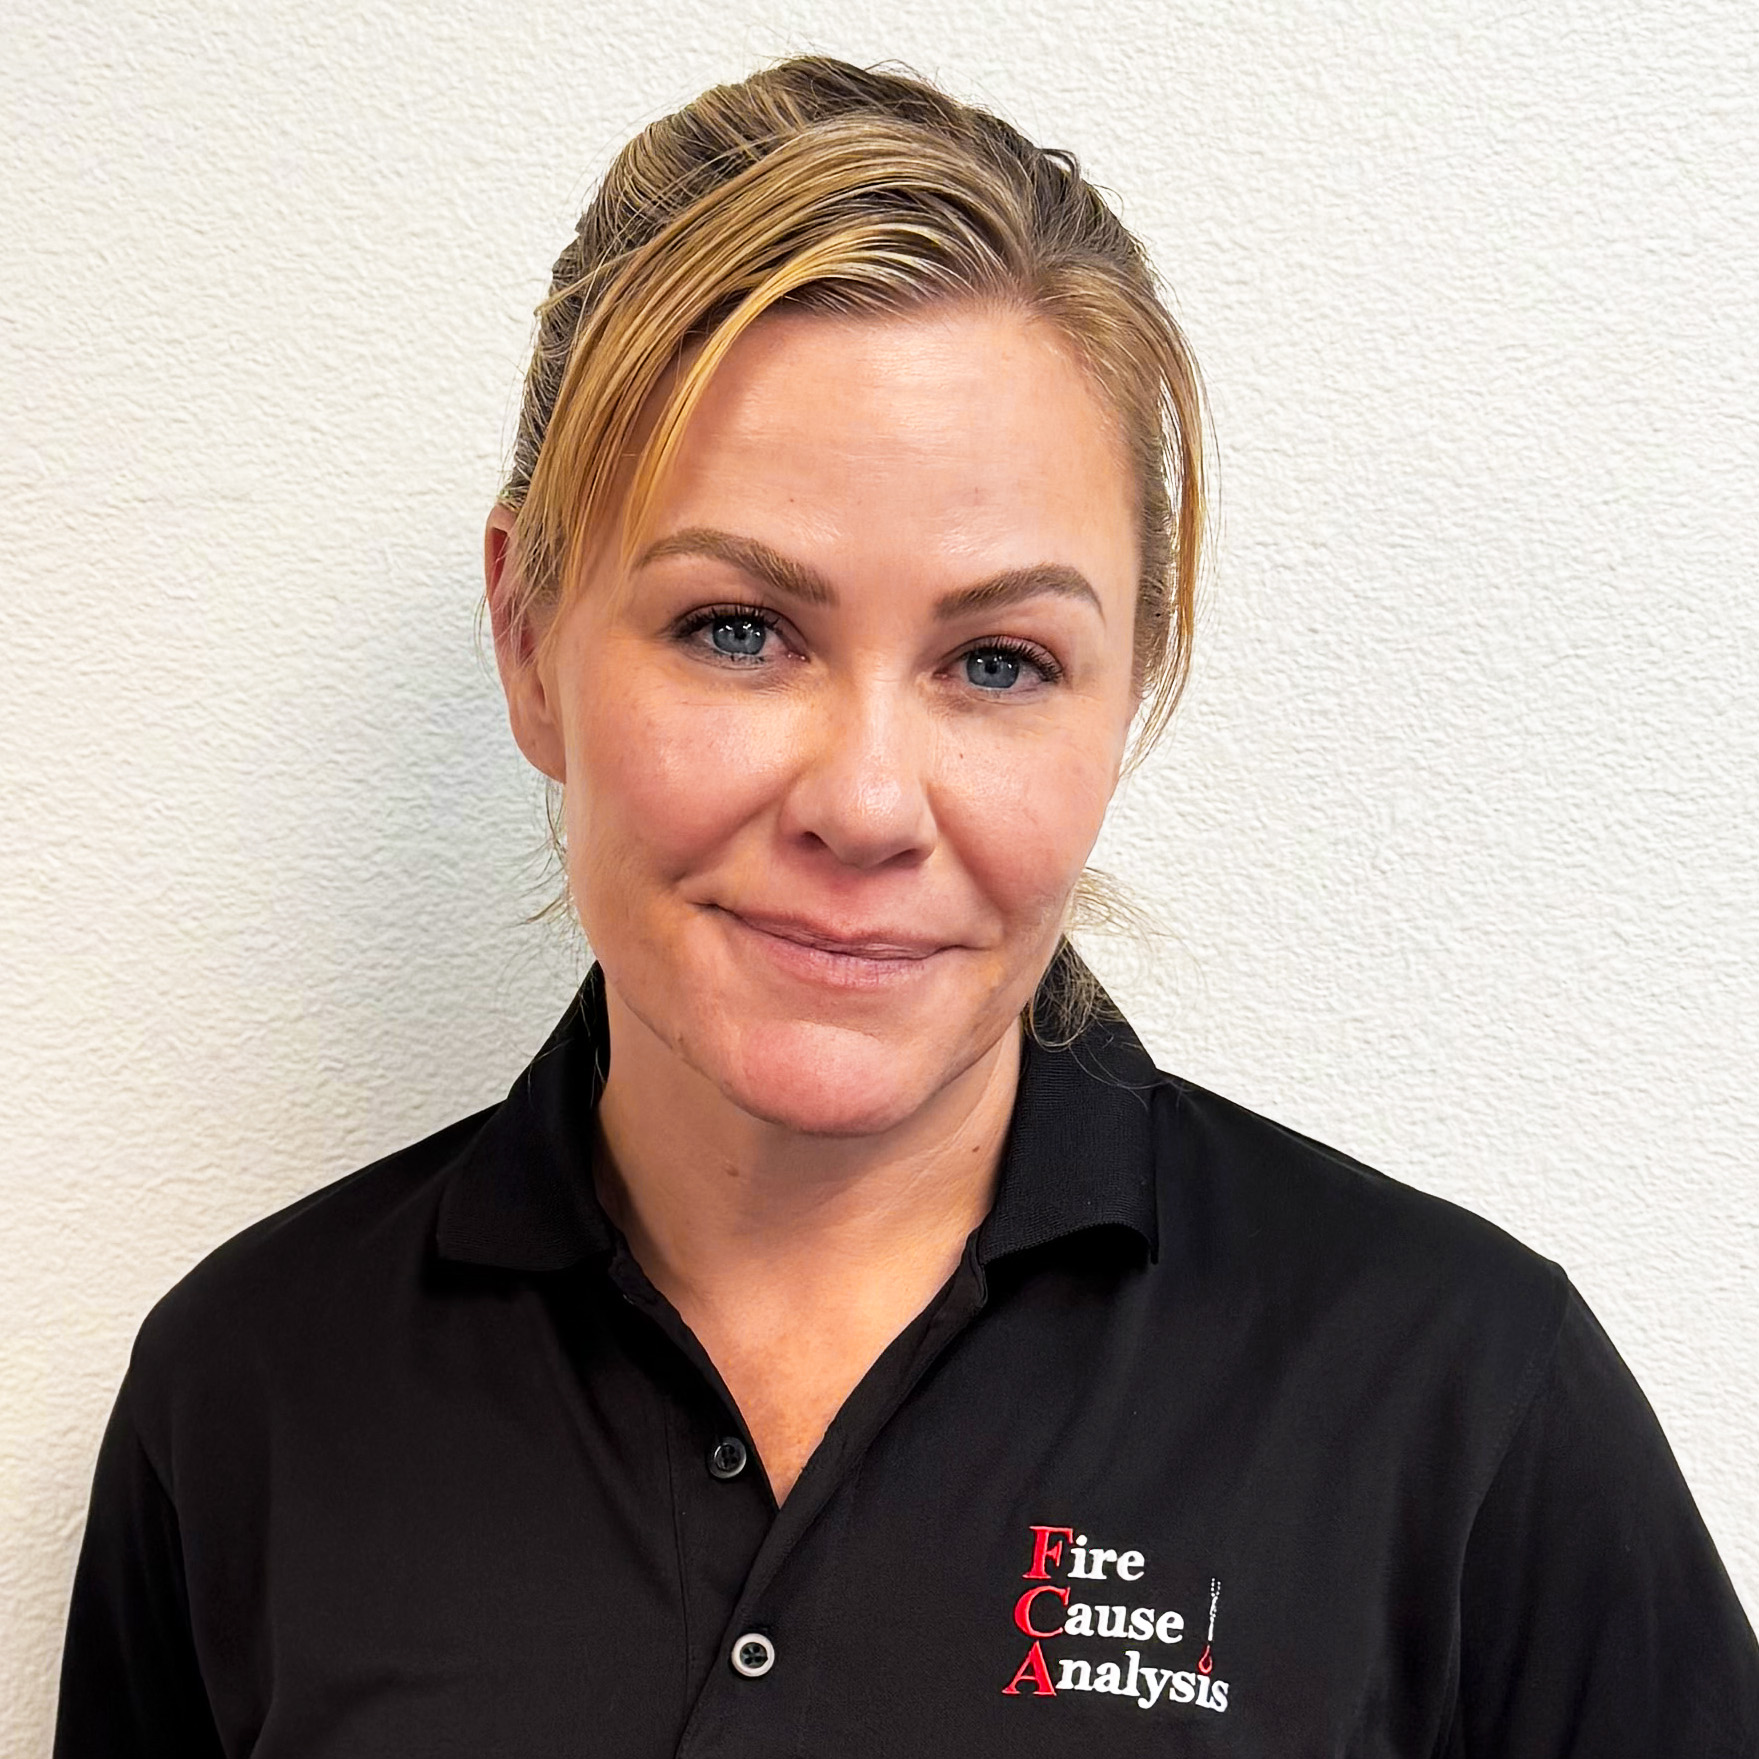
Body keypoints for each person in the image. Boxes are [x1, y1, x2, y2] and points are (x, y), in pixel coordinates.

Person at [54, 55, 1758, 1759]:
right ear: (528, 642)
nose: (867, 804)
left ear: (1129, 689)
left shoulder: (1459, 1405)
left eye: (999, 662)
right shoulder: (247, 1398)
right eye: (738, 630)